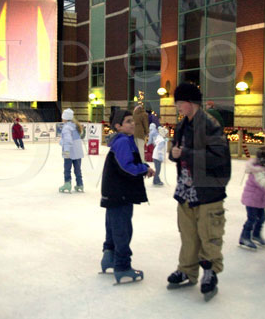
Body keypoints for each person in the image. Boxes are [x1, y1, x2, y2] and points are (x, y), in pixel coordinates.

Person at [166, 83, 231, 302]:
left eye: (179, 103)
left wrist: (187, 153)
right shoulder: (182, 125)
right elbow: (178, 151)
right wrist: (174, 154)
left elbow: (218, 158)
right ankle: (187, 270)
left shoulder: (210, 124)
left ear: (190, 102)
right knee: (188, 235)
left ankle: (210, 272)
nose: (177, 107)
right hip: (185, 191)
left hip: (207, 192)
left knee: (209, 235)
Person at [99, 109, 155, 284]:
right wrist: (144, 169)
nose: (132, 123)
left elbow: (128, 162)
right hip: (120, 192)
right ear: (118, 126)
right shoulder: (123, 141)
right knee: (122, 229)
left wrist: (143, 165)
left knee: (113, 226)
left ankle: (109, 258)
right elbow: (127, 166)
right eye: (128, 121)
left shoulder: (123, 140)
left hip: (114, 191)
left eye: (133, 120)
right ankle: (122, 266)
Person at [239, 147, 265, 250]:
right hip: (252, 200)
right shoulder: (258, 171)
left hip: (260, 200)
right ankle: (244, 237)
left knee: (262, 218)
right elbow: (264, 183)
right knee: (252, 219)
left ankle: (256, 235)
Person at [59, 109, 84, 193]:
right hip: (78, 151)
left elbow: (68, 140)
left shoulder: (66, 127)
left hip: (69, 151)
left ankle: (67, 183)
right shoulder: (75, 126)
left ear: (65, 118)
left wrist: (66, 151)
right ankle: (80, 184)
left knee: (67, 169)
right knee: (77, 169)